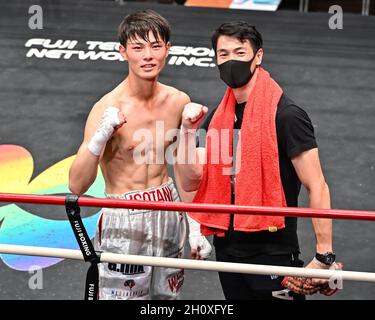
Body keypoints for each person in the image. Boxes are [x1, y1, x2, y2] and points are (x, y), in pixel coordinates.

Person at [175, 21, 342, 300]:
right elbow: (191, 181)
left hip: (273, 249)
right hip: (228, 248)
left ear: (258, 56)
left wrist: (324, 256)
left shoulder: (287, 115)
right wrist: (186, 132)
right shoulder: (218, 117)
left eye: (240, 53)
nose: (230, 61)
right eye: (223, 54)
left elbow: (318, 186)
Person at [69, 10, 211, 300]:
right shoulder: (106, 107)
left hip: (169, 207)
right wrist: (101, 136)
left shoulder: (178, 101)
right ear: (123, 52)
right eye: (138, 47)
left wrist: (196, 224)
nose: (148, 56)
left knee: (167, 300)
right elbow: (77, 185)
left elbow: (185, 173)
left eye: (156, 46)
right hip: (124, 216)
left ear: (168, 49)